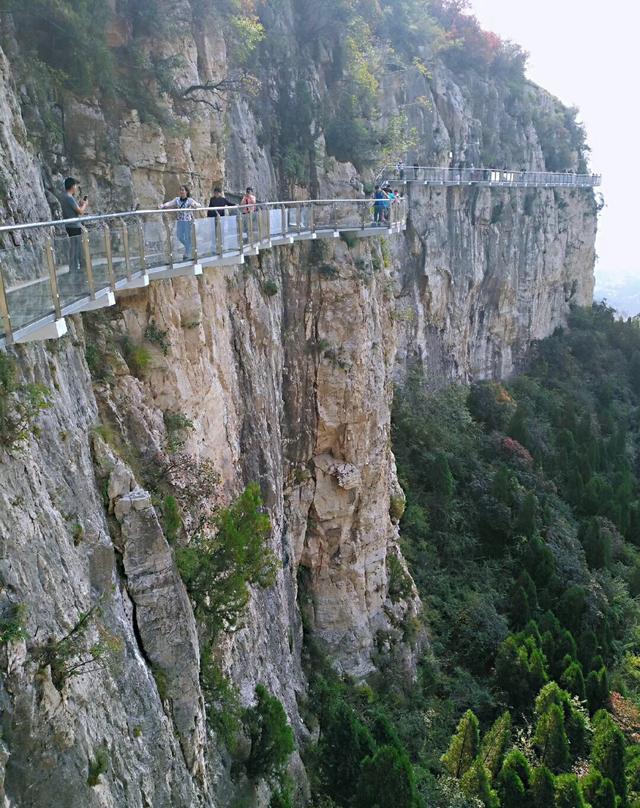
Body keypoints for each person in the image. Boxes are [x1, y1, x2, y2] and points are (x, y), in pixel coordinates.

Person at [160, 185, 199, 260]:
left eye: (183, 190)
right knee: (179, 236)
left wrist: (195, 205)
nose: (181, 191)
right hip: (180, 221)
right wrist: (163, 205)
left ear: (186, 192)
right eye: (180, 190)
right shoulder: (177, 200)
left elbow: (198, 205)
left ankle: (187, 253)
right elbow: (170, 203)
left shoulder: (190, 200)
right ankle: (189, 247)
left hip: (188, 221)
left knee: (187, 237)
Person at [60, 177, 88, 274]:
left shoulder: (64, 197)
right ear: (72, 186)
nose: (76, 188)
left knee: (74, 246)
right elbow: (80, 211)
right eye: (75, 185)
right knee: (77, 247)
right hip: (74, 226)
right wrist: (85, 204)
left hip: (68, 225)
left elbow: (73, 210)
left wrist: (79, 204)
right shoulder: (69, 197)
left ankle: (75, 267)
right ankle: (75, 268)